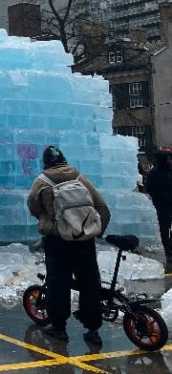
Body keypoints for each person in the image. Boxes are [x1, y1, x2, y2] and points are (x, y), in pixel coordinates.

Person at [27, 145, 110, 345]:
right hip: (84, 240)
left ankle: (58, 327)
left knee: (58, 283)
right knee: (90, 283)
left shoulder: (42, 182)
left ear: (45, 162)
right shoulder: (79, 178)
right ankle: (93, 329)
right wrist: (95, 231)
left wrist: (49, 220)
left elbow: (33, 207)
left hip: (58, 242)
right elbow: (102, 207)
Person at [145, 147, 172, 261]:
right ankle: (168, 250)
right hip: (162, 205)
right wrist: (159, 196)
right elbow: (149, 188)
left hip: (167, 204)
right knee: (165, 228)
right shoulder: (155, 173)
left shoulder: (168, 171)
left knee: (167, 228)